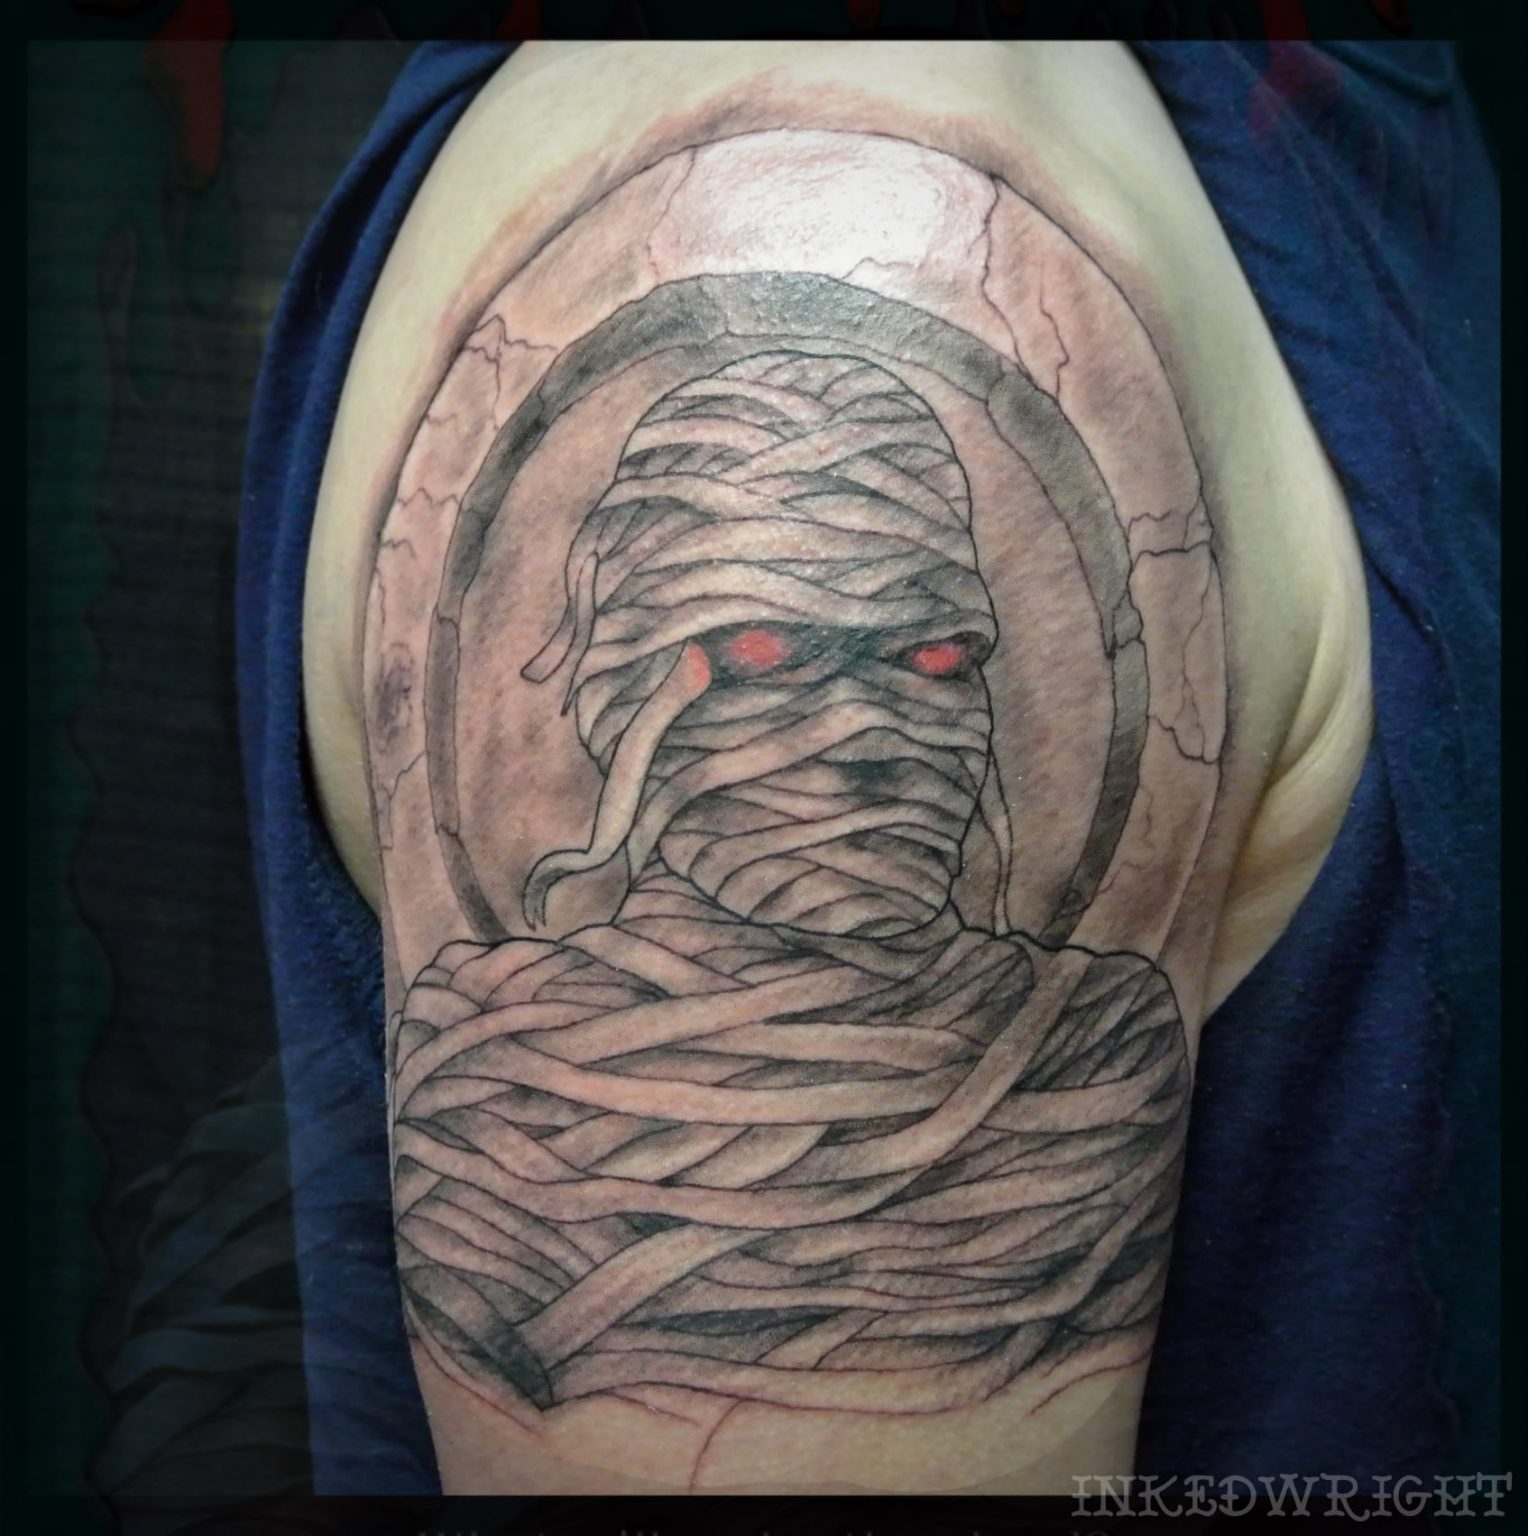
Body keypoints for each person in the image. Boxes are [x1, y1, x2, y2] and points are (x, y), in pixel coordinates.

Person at [238, 40, 1497, 1494]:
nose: (865, 745)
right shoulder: (856, 209)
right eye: (769, 656)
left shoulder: (1079, 1054)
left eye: (939, 662)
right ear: (627, 685)